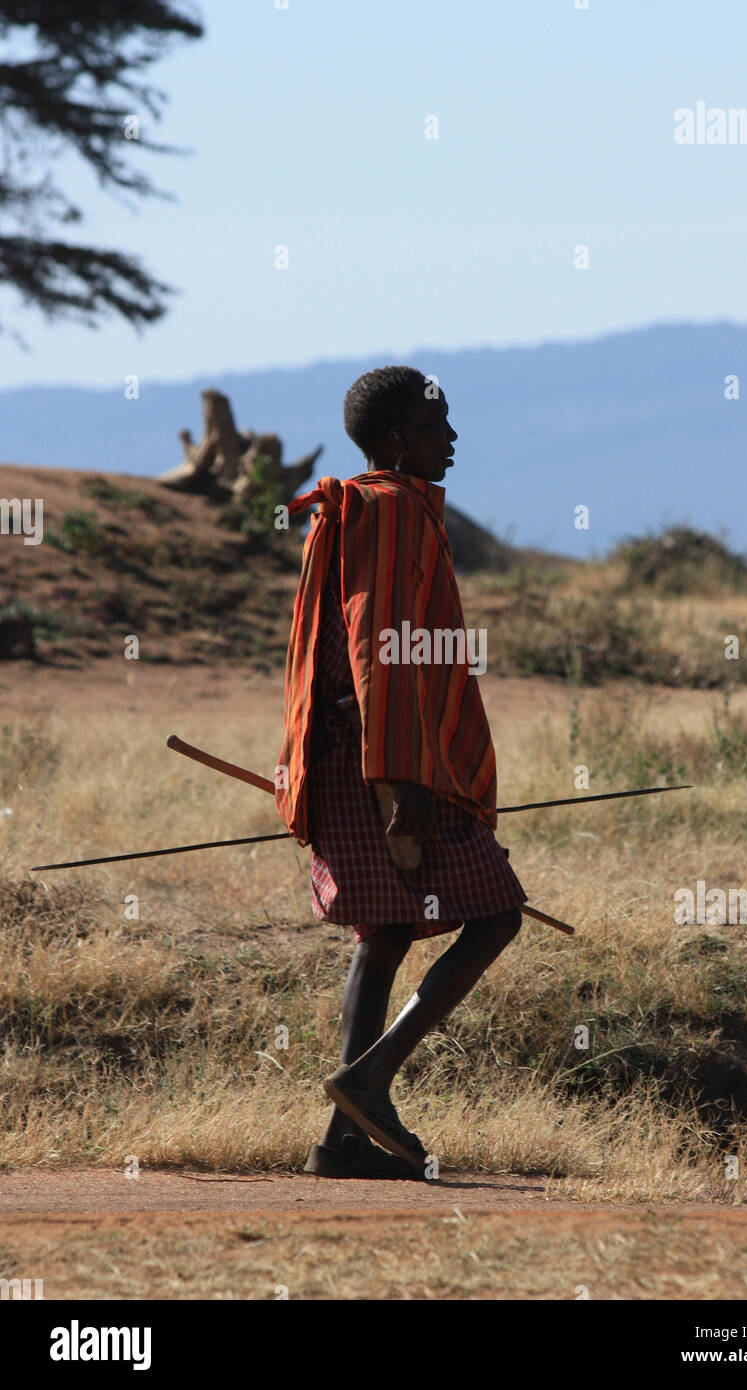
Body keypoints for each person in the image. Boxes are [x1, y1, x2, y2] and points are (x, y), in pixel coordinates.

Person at [275, 366, 526, 1179]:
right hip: (385, 757)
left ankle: (342, 1144)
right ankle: (373, 1077)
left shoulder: (379, 506)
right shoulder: (387, 511)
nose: (451, 438)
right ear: (395, 442)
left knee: (384, 930)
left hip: (362, 750)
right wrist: (398, 777)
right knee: (496, 912)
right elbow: (374, 640)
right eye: (436, 424)